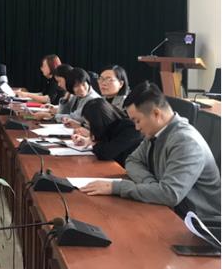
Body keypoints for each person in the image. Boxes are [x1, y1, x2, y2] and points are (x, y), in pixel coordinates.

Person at [81, 81, 221, 221]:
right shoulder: (155, 133)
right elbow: (133, 161)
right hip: (168, 208)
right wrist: (152, 185)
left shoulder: (186, 142)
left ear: (156, 114)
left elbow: (170, 194)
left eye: (137, 120)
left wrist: (115, 187)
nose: (136, 128)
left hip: (196, 220)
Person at [71, 98, 142, 166]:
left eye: (89, 123)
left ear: (97, 123)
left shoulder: (130, 129)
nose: (89, 127)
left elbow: (105, 154)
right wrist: (87, 140)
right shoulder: (112, 126)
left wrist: (93, 143)